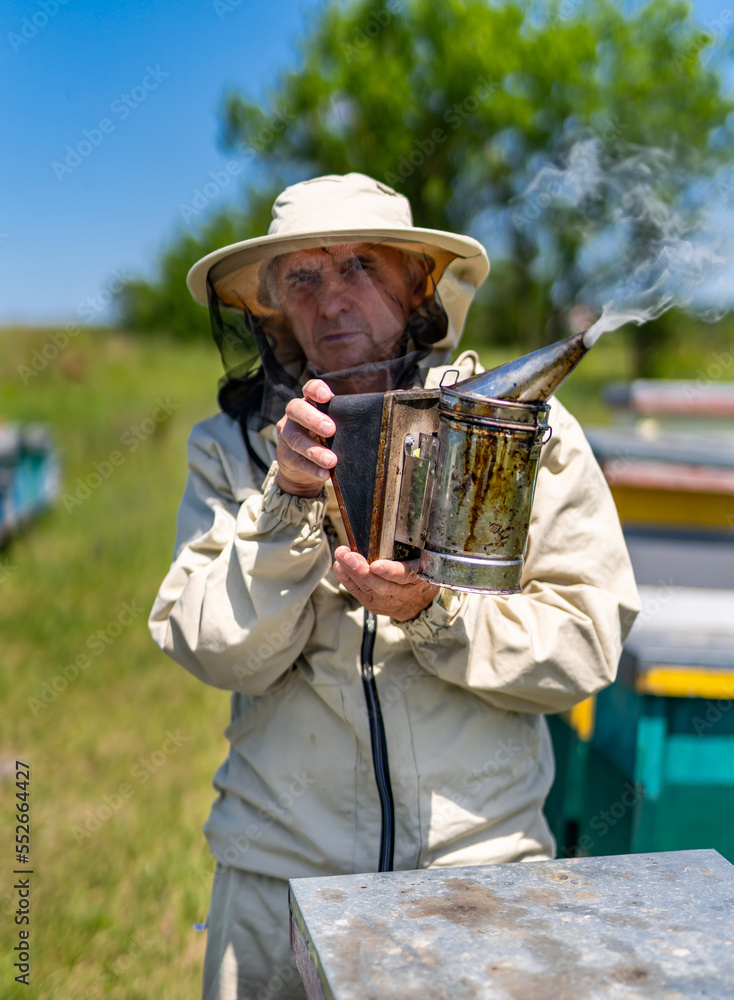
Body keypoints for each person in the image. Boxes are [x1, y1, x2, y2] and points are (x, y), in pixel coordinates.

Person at [149, 172, 639, 1000]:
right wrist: (287, 503)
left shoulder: (525, 427)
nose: (331, 299)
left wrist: (437, 613)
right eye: (301, 277)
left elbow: (583, 647)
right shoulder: (230, 451)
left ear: (417, 289)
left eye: (359, 267)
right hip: (278, 883)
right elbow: (213, 647)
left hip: (482, 881)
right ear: (269, 307)